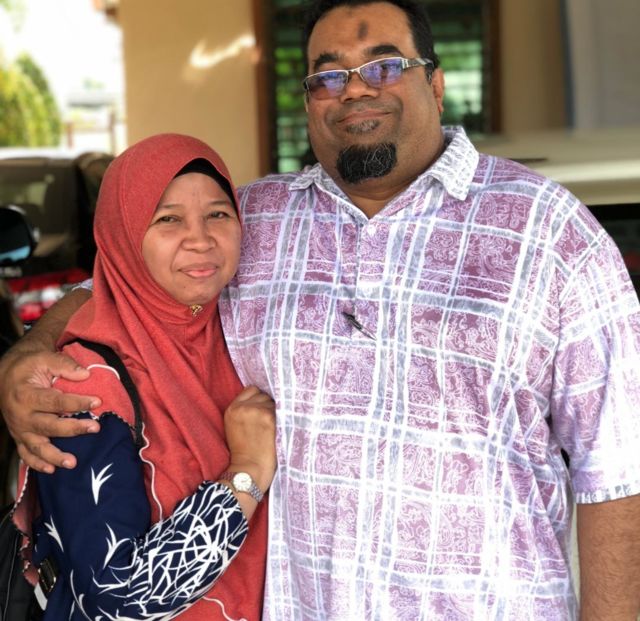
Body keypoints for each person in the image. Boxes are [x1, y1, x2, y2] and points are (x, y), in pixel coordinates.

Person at [2, 1, 640, 619]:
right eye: (329, 76)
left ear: (437, 84)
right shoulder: (255, 220)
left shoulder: (549, 234)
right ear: (309, 101)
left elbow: (618, 470)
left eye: (385, 65)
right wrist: (31, 350)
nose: (356, 89)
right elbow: (124, 276)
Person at [9, 132, 276, 620]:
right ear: (124, 236)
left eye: (218, 214)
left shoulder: (246, 338)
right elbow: (116, 595)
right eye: (168, 219)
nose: (201, 239)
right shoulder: (84, 384)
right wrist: (248, 472)